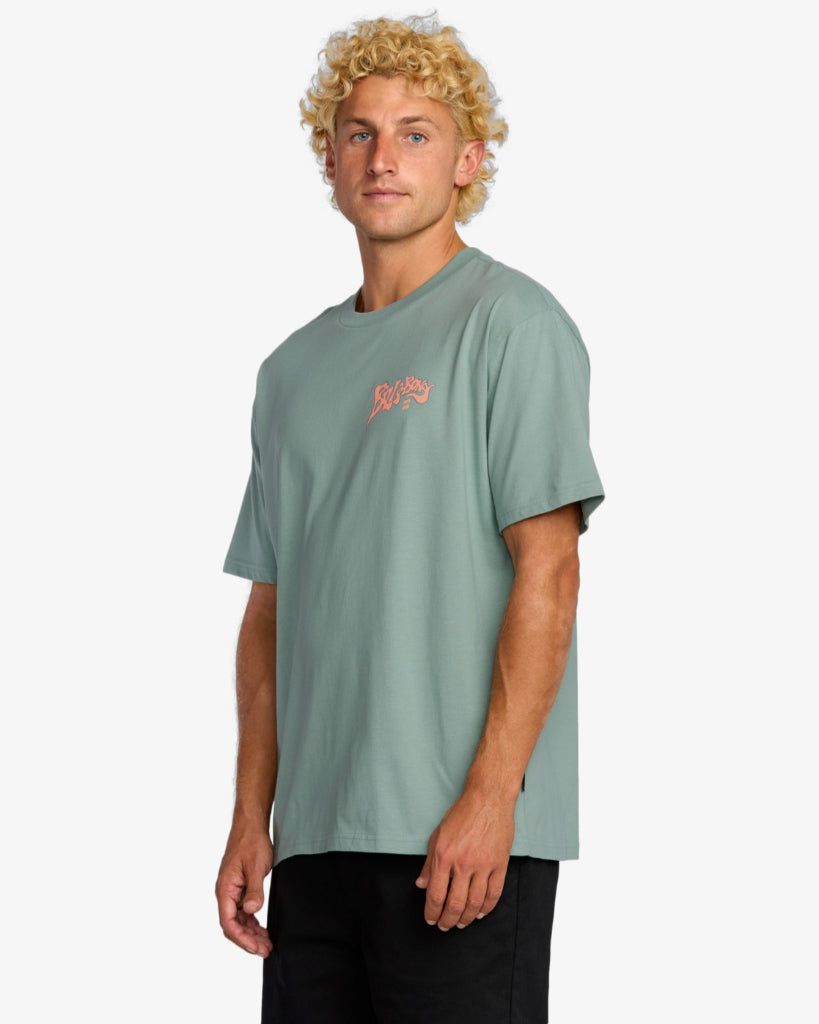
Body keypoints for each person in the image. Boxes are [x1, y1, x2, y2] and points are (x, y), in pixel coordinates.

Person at [215, 14, 605, 1023]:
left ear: (468, 161)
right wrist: (253, 815)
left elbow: (549, 570)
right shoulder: (289, 371)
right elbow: (269, 611)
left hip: (457, 841)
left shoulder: (511, 324)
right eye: (360, 133)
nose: (382, 156)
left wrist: (492, 799)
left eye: (415, 132)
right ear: (331, 159)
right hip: (313, 848)